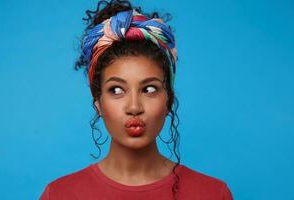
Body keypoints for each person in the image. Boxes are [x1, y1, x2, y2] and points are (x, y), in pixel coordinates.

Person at [40, 0, 233, 199]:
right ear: (98, 102)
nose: (134, 107)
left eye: (149, 89)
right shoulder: (59, 194)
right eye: (116, 90)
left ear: (169, 100)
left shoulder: (212, 193)